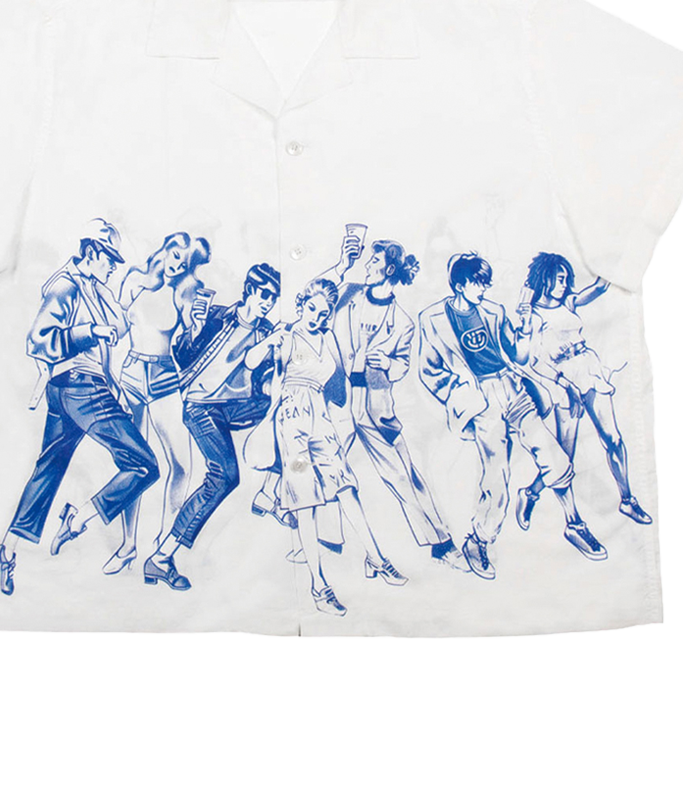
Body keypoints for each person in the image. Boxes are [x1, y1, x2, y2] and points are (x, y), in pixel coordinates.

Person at [0, 221, 159, 596]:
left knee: (48, 470)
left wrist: (115, 305)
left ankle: (7, 549)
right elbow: (38, 339)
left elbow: (119, 327)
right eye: (109, 259)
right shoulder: (65, 286)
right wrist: (89, 332)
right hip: (81, 388)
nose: (113, 267)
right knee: (145, 465)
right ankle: (78, 519)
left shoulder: (93, 287)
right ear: (92, 252)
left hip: (69, 390)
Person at [417, 252, 607, 581]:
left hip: (512, 388)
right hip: (479, 400)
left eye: (485, 283)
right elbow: (429, 370)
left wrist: (524, 327)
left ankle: (575, 525)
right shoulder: (432, 319)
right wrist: (459, 394)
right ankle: (479, 541)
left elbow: (518, 355)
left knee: (553, 455)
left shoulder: (494, 311)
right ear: (460, 284)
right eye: (478, 283)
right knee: (496, 477)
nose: (483, 289)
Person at [244, 278, 406, 617]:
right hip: (292, 419)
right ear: (301, 305)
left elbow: (338, 384)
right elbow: (252, 362)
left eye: (324, 313)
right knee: (305, 502)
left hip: (321, 417)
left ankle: (377, 558)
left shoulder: (327, 337)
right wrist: (272, 340)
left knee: (346, 487)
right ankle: (319, 587)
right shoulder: (287, 335)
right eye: (312, 310)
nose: (317, 317)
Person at [316, 229, 469, 571]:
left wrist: (388, 363)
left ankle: (441, 544)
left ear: (388, 270)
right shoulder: (347, 293)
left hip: (375, 405)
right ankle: (322, 542)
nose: (367, 264)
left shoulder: (402, 321)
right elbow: (312, 295)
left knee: (402, 474)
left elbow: (401, 367)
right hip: (337, 397)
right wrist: (341, 266)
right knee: (324, 465)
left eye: (374, 261)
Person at [139, 264, 281, 591]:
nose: (268, 302)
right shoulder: (219, 316)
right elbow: (182, 355)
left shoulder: (267, 331)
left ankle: (270, 493)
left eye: (273, 298)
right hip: (202, 406)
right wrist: (195, 328)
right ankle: (161, 557)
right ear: (250, 290)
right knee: (224, 476)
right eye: (264, 294)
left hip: (238, 406)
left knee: (290, 410)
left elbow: (266, 376)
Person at [89, 232, 210, 574]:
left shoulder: (184, 292)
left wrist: (197, 325)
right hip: (130, 374)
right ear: (165, 250)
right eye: (175, 255)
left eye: (185, 262)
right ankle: (128, 545)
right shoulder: (134, 281)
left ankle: (163, 546)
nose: (177, 265)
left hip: (163, 376)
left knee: (182, 464)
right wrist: (107, 374)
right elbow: (114, 330)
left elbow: (190, 342)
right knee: (135, 465)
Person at [514, 253, 652, 530]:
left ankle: (627, 499)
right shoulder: (534, 316)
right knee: (564, 457)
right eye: (559, 279)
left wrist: (616, 258)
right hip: (562, 379)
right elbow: (531, 361)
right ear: (545, 278)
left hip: (588, 367)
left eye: (566, 279)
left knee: (613, 438)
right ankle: (535, 496)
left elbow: (599, 288)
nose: (564, 285)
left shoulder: (568, 302)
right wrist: (565, 384)